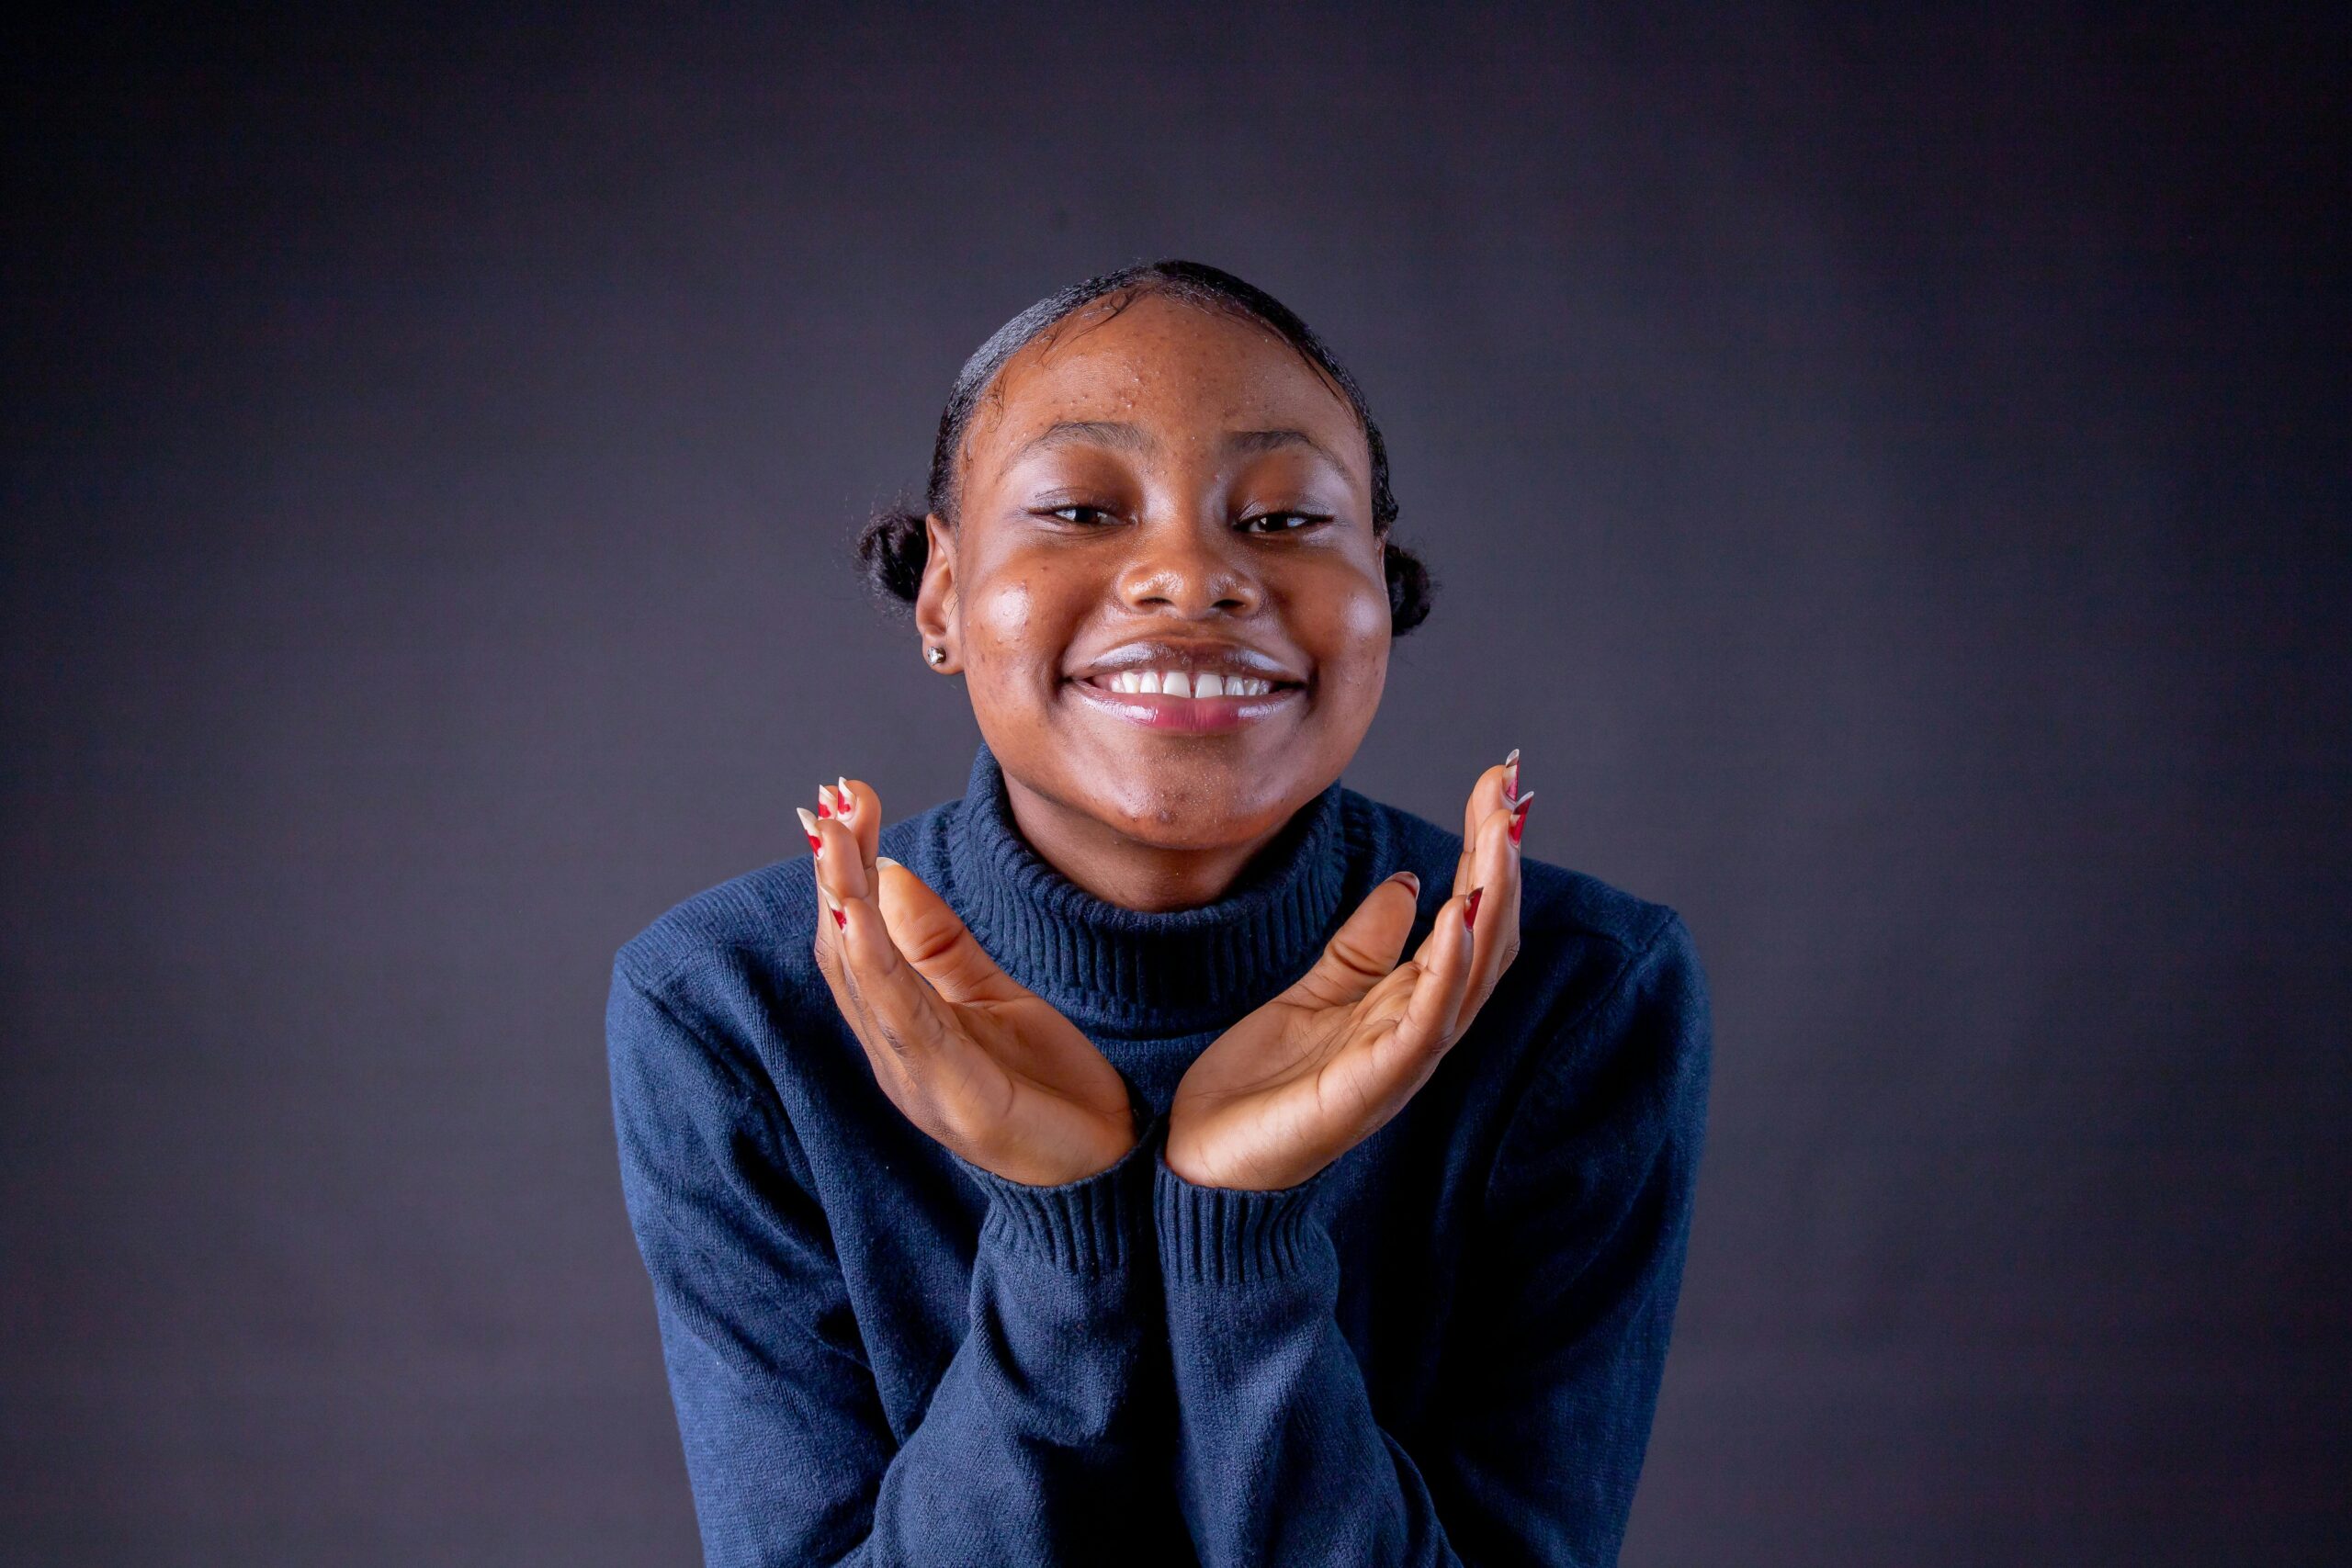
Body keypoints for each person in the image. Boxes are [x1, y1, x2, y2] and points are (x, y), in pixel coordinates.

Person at [605, 258, 1713, 1567]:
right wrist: (1062, 1233)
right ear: (943, 598)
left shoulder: (1576, 996)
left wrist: (1241, 1234)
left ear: (1383, 600)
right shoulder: (732, 1009)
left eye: (1288, 519)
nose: (1191, 576)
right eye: (1080, 507)